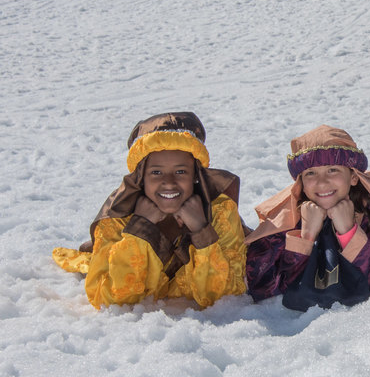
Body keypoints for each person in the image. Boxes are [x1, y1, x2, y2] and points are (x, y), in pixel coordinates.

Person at [52, 112, 247, 309]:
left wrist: (201, 230)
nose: (169, 183)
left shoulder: (220, 211)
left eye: (181, 172)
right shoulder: (118, 217)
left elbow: (227, 294)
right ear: (140, 177)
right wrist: (140, 229)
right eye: (156, 172)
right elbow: (109, 299)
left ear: (196, 175)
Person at [244, 126, 370, 311]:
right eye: (311, 173)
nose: (322, 182)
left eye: (333, 170)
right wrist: (305, 238)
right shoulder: (285, 221)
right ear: (300, 182)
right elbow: (264, 286)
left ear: (353, 177)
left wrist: (350, 234)